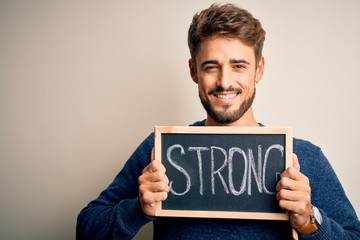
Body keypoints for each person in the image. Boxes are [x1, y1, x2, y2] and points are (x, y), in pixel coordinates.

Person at [76, 3, 360, 240]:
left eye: (239, 65)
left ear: (259, 69)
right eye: (211, 67)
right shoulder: (162, 151)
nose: (225, 82)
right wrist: (138, 208)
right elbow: (86, 228)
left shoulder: (304, 158)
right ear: (193, 71)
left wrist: (309, 220)